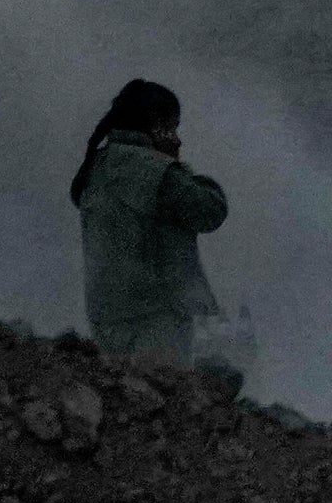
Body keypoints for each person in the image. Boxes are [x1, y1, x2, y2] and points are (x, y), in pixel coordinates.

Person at [71, 77, 231, 363]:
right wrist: (179, 167)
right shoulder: (158, 170)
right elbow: (210, 210)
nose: (177, 138)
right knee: (169, 399)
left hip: (106, 318)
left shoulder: (93, 169)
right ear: (156, 124)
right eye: (172, 128)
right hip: (159, 319)